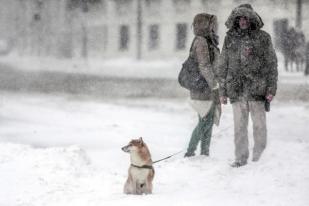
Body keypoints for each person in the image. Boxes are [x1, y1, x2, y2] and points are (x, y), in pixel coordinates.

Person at [217, 4, 278, 167]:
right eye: (239, 18)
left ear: (251, 19)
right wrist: (222, 91)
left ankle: (259, 157)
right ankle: (241, 158)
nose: (243, 21)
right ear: (236, 20)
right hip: (236, 90)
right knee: (239, 128)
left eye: (245, 18)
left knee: (259, 127)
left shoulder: (263, 37)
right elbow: (223, 64)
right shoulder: (230, 38)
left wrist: (271, 89)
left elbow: (271, 64)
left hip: (257, 90)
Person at [184, 13, 221, 157]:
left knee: (208, 119)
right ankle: (190, 151)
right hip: (203, 87)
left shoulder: (208, 40)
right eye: (212, 24)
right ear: (205, 25)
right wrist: (214, 85)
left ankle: (205, 152)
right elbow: (204, 66)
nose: (215, 27)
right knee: (205, 120)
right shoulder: (201, 41)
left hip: (207, 87)